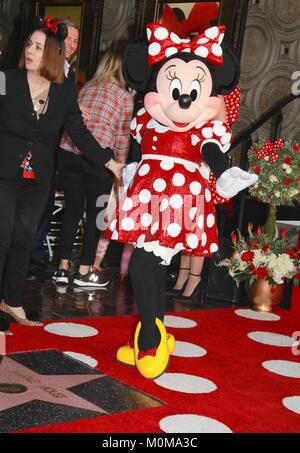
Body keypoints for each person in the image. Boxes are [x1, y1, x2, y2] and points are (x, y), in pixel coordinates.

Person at [106, 22, 258, 379]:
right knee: (152, 271)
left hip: (178, 205)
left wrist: (225, 172)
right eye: (174, 86)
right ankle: (155, 334)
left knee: (143, 267)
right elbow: (138, 153)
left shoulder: (203, 129)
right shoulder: (148, 122)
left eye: (193, 89)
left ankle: (150, 342)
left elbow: (211, 152)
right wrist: (128, 176)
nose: (183, 97)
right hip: (147, 200)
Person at [0, 17, 123, 331]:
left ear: (52, 54)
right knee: (1, 236)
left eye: (38, 47)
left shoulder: (64, 92)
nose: (29, 50)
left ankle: (11, 300)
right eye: (29, 45)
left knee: (23, 239)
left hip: (37, 176)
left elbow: (79, 132)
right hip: (3, 171)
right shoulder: (5, 80)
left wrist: (109, 162)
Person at [52, 49, 133, 287]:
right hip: (98, 158)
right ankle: (85, 272)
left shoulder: (85, 87)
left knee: (72, 211)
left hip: (67, 152)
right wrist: (119, 168)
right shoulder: (124, 96)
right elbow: (122, 137)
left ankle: (62, 268)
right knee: (97, 216)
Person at [30, 18, 81, 267]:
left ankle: (34, 249)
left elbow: (73, 122)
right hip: (32, 143)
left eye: (75, 41)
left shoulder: (69, 71)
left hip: (53, 145)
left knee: (45, 197)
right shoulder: (37, 69)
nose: (71, 44)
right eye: (67, 37)